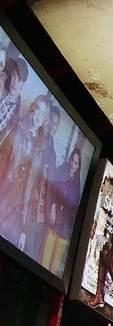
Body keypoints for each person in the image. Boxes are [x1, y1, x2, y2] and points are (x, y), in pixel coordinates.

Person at [0, 94, 56, 257]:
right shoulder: (17, 128)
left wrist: (23, 230)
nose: (38, 116)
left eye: (43, 114)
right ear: (32, 109)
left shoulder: (42, 147)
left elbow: (32, 189)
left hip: (17, 209)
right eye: (37, 109)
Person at [48, 145, 83, 239]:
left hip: (63, 222)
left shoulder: (77, 185)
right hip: (51, 212)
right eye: (72, 160)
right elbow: (51, 190)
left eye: (76, 163)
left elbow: (74, 207)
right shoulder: (61, 171)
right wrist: (53, 206)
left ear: (79, 166)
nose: (73, 164)